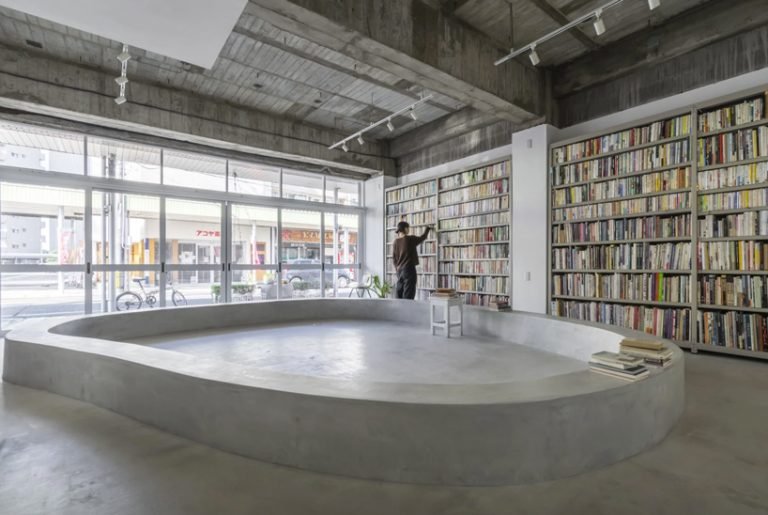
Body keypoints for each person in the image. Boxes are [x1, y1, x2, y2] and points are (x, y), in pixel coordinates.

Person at [392, 221, 432, 299]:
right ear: (405, 229)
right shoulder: (410, 239)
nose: (409, 229)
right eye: (408, 228)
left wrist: (397, 269)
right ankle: (407, 310)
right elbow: (422, 237)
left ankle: (399, 310)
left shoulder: (395, 242)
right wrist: (427, 229)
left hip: (399, 270)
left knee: (399, 292)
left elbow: (394, 258)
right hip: (408, 269)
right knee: (408, 293)